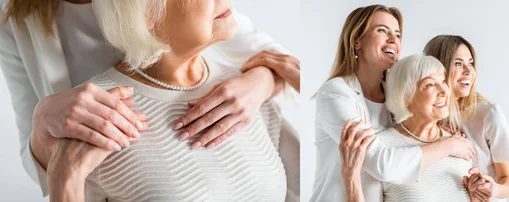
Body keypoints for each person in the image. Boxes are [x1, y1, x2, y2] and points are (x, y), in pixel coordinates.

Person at [0, 0, 299, 199]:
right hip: (104, 141)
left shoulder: (232, 81)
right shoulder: (12, 19)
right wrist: (42, 127)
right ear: (145, 14)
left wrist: (261, 83)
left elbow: (284, 62)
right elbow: (45, 166)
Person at [311, 5, 475, 201]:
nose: (393, 40)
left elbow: (410, 134)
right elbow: (382, 164)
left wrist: (440, 130)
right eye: (382, 30)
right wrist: (448, 146)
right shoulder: (336, 93)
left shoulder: (397, 94)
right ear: (356, 41)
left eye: (397, 35)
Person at [339, 54, 474, 201]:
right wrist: (351, 177)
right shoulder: (380, 147)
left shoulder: (460, 144)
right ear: (406, 97)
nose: (444, 91)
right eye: (430, 85)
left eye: (442, 81)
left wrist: (479, 197)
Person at [424, 35, 509, 202]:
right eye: (458, 64)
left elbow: (508, 180)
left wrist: (493, 189)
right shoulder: (425, 116)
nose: (469, 72)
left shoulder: (488, 113)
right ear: (438, 68)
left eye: (471, 63)